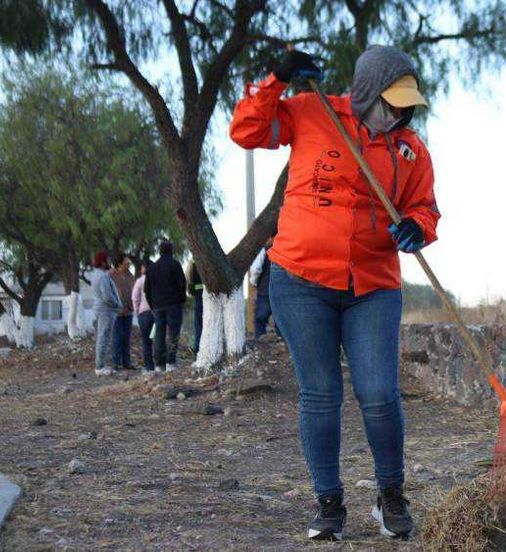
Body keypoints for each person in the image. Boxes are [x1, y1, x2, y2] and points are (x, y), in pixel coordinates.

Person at [230, 45, 439, 541]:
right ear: (366, 93)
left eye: (406, 105)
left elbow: (426, 207)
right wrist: (276, 79)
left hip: (373, 287)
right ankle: (329, 505)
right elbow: (247, 131)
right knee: (321, 395)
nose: (400, 113)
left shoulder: (410, 149)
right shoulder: (313, 112)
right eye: (391, 102)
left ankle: (391, 497)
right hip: (301, 281)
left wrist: (417, 227)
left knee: (379, 394)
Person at [144, 240, 186, 372]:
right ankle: (171, 362)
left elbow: (147, 289)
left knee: (159, 335)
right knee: (173, 334)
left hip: (157, 306)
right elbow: (182, 285)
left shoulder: (151, 268)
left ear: (159, 251)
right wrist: (181, 300)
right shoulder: (175, 265)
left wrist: (152, 305)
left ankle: (159, 365)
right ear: (171, 251)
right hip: (173, 305)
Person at [91, 250, 122, 376]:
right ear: (103, 262)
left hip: (102, 310)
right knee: (103, 338)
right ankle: (100, 367)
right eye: (108, 260)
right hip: (106, 311)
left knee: (102, 337)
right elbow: (107, 297)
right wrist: (118, 304)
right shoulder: (103, 276)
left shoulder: (98, 274)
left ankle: (101, 364)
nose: (110, 262)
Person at [110, 253, 135, 371]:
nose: (129, 264)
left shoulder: (130, 275)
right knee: (117, 338)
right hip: (116, 313)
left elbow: (133, 291)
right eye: (126, 262)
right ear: (120, 263)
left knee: (127, 338)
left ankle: (127, 362)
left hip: (128, 311)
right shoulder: (111, 275)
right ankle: (115, 363)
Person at [249, 233, 276, 338]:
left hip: (265, 292)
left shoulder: (265, 250)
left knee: (260, 320)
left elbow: (255, 269)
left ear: (270, 237)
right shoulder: (285, 251)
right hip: (281, 292)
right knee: (281, 323)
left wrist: (254, 283)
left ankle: (261, 344)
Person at [132, 260, 155, 372]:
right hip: (156, 314)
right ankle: (161, 364)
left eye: (142, 267)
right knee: (158, 339)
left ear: (144, 268)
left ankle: (149, 367)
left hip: (144, 315)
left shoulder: (140, 281)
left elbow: (135, 298)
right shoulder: (158, 280)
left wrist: (137, 311)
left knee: (146, 342)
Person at [185, 260, 204, 354]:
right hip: (209, 296)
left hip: (198, 296)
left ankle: (198, 347)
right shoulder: (210, 259)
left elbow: (188, 278)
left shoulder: (193, 262)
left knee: (198, 324)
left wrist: (190, 290)